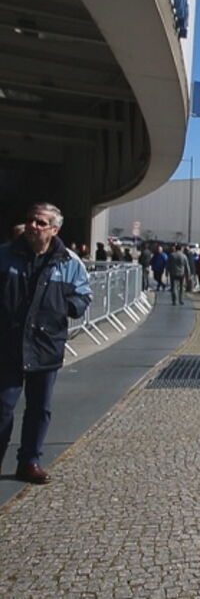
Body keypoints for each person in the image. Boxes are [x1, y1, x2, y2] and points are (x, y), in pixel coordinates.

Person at [0, 203, 92, 483]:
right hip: (8, 345)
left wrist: (66, 305)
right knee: (3, 407)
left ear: (54, 229)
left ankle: (29, 462)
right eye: (30, 220)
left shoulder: (69, 262)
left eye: (40, 223)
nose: (32, 226)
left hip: (45, 345)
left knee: (40, 408)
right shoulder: (5, 257)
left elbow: (83, 295)